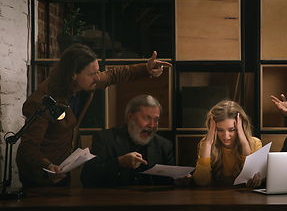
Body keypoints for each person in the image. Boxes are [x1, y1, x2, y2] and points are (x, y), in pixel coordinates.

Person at [16, 43, 172, 187]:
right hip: (40, 173)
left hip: (64, 167)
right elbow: (28, 147)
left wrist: (146, 68)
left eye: (97, 72)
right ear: (73, 75)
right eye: (92, 74)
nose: (98, 78)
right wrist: (47, 166)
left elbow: (113, 76)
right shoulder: (42, 101)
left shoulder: (87, 81)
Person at [80, 95, 191, 187]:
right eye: (146, 118)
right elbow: (87, 178)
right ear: (130, 117)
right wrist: (120, 162)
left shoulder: (164, 145)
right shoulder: (104, 139)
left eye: (156, 120)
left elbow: (167, 182)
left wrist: (177, 181)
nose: (151, 125)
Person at [192, 100, 263, 187]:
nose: (226, 136)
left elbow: (251, 178)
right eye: (219, 130)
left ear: (240, 127)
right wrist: (208, 144)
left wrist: (244, 143)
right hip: (215, 198)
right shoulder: (206, 144)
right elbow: (201, 182)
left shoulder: (255, 143)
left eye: (231, 130)